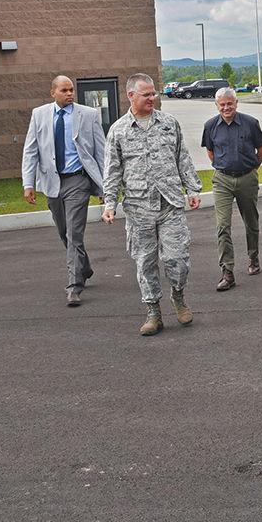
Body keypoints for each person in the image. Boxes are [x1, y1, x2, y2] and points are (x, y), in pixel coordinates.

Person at [101, 73, 203, 336]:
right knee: (145, 261)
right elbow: (112, 170)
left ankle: (178, 297)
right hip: (138, 208)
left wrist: (192, 188)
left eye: (154, 93)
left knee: (177, 258)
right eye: (146, 94)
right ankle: (153, 311)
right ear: (131, 96)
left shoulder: (169, 123)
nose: (152, 98)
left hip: (170, 203)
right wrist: (110, 202)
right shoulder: (118, 130)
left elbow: (182, 157)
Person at [21, 75, 106, 307]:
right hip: (52, 183)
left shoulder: (88, 115)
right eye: (64, 90)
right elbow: (31, 150)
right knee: (63, 232)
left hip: (78, 181)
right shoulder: (39, 115)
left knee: (74, 234)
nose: (70, 94)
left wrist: (104, 186)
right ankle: (84, 266)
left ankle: (74, 285)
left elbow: (101, 151)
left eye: (71, 90)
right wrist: (28, 183)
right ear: (53, 93)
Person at [201, 87, 262, 291]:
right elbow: (211, 152)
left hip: (247, 178)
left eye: (229, 103)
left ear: (236, 103)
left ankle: (253, 257)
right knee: (222, 226)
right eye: (222, 104)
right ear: (217, 106)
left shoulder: (250, 123)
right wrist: (225, 167)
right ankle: (227, 272)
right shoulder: (210, 126)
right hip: (222, 180)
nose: (226, 107)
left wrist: (251, 170)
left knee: (251, 221)